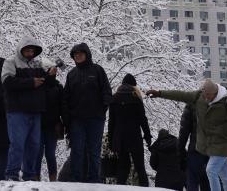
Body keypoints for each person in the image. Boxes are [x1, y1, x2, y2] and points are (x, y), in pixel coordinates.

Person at [147, 80, 227, 191]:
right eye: (204, 95)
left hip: (221, 145)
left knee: (211, 171)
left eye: (208, 96)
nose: (206, 98)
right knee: (224, 176)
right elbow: (180, 95)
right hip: (203, 147)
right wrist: (159, 93)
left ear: (216, 93)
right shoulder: (198, 97)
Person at [62, 42, 112, 183]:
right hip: (77, 120)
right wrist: (67, 117)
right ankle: (76, 180)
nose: (78, 56)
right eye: (75, 55)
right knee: (77, 150)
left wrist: (102, 108)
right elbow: (66, 97)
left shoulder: (98, 71)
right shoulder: (71, 75)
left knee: (94, 151)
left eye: (80, 54)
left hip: (96, 119)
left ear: (87, 55)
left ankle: (94, 180)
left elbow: (107, 92)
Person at [1, 36, 47, 181]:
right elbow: (7, 82)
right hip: (17, 110)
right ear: (21, 50)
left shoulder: (37, 64)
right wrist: (31, 83)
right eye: (27, 50)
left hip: (35, 111)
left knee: (34, 145)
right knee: (18, 144)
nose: (30, 52)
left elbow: (44, 84)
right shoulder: (10, 62)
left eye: (32, 50)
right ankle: (12, 175)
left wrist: (50, 76)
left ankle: (29, 175)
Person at [107, 74, 151, 186]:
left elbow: (111, 122)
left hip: (120, 138)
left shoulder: (114, 98)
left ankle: (120, 188)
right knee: (140, 168)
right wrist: (147, 135)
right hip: (134, 137)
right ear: (133, 85)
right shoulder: (136, 97)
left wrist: (111, 141)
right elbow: (143, 119)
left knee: (123, 168)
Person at [33, 59, 64, 181]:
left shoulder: (58, 87)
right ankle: (35, 178)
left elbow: (63, 106)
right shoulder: (38, 86)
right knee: (38, 154)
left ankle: (53, 180)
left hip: (52, 126)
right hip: (39, 125)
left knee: (50, 154)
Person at [179, 103, 210, 191]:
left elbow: (183, 132)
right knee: (208, 182)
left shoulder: (191, 104)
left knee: (192, 181)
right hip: (212, 151)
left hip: (195, 150)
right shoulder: (219, 104)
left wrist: (181, 153)